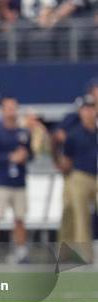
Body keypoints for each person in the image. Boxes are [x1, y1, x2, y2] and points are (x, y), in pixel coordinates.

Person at [0, 97, 33, 263]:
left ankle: (20, 250)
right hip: (1, 180)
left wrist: (25, 155)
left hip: (19, 181)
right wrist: (9, 157)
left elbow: (31, 153)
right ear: (2, 110)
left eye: (14, 107)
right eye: (8, 108)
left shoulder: (23, 132)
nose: (12, 111)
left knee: (20, 218)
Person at [60, 94, 98, 261]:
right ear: (81, 112)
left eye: (91, 108)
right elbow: (66, 160)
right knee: (81, 216)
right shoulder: (74, 134)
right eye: (85, 109)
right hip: (80, 176)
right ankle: (86, 255)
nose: (89, 112)